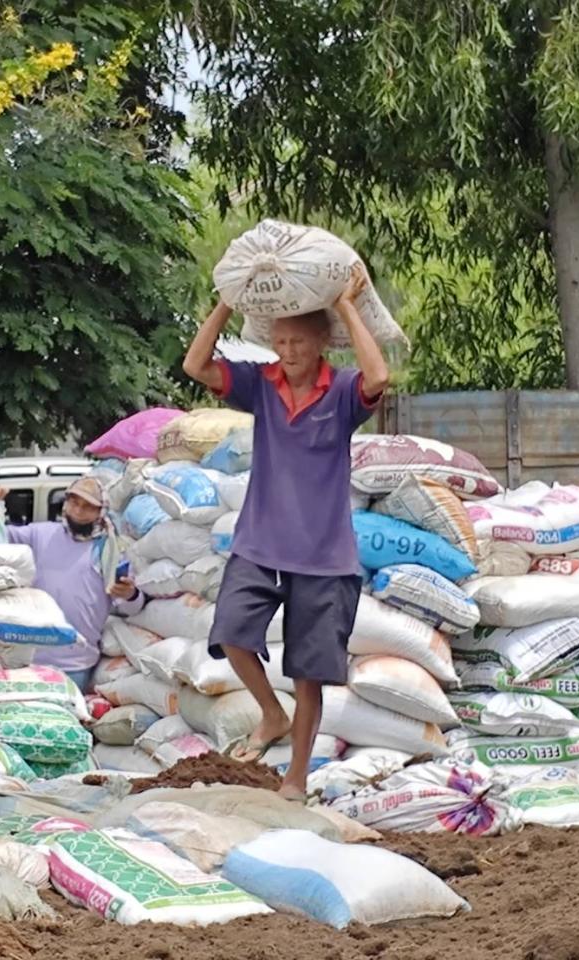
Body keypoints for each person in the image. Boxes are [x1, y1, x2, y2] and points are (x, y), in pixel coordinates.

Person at [182, 264, 389, 801]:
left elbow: (379, 378)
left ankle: (296, 777)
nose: (288, 349)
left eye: (299, 340)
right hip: (260, 542)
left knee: (308, 671)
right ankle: (271, 715)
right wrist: (226, 302)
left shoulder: (342, 392)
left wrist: (345, 306)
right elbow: (195, 364)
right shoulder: (260, 385)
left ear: (322, 343)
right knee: (230, 631)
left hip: (324, 556)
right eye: (279, 340)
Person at [0, 476, 142, 691]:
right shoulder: (40, 534)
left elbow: (130, 607)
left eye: (88, 507)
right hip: (29, 659)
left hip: (75, 665)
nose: (78, 511)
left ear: (100, 511)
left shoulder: (109, 551)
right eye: (74, 503)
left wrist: (131, 593)